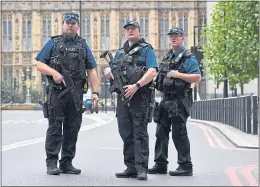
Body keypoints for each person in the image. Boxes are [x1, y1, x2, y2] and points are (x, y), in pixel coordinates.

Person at [35, 11, 99, 175]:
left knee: (72, 129)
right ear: (63, 24)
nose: (70, 25)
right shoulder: (53, 43)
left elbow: (91, 69)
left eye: (73, 23)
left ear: (78, 26)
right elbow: (39, 65)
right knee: (55, 128)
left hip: (76, 94)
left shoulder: (83, 45)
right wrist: (54, 73)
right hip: (57, 93)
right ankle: (51, 163)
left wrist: (95, 92)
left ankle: (67, 162)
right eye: (68, 23)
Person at [104, 21, 158, 180]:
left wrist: (137, 85)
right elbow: (113, 70)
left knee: (139, 133)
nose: (130, 31)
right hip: (123, 97)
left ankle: (142, 169)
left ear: (139, 32)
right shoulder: (119, 53)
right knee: (125, 132)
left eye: (133, 29)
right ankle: (131, 167)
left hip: (139, 97)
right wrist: (108, 71)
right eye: (127, 29)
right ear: (124, 33)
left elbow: (152, 70)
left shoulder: (146, 50)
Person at [148, 27, 201, 176]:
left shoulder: (188, 57)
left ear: (182, 38)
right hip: (165, 99)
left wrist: (179, 74)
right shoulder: (167, 57)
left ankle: (185, 165)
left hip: (179, 100)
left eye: (176, 36)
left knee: (179, 133)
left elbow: (197, 77)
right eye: (171, 36)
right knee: (161, 133)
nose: (173, 38)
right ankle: (160, 164)